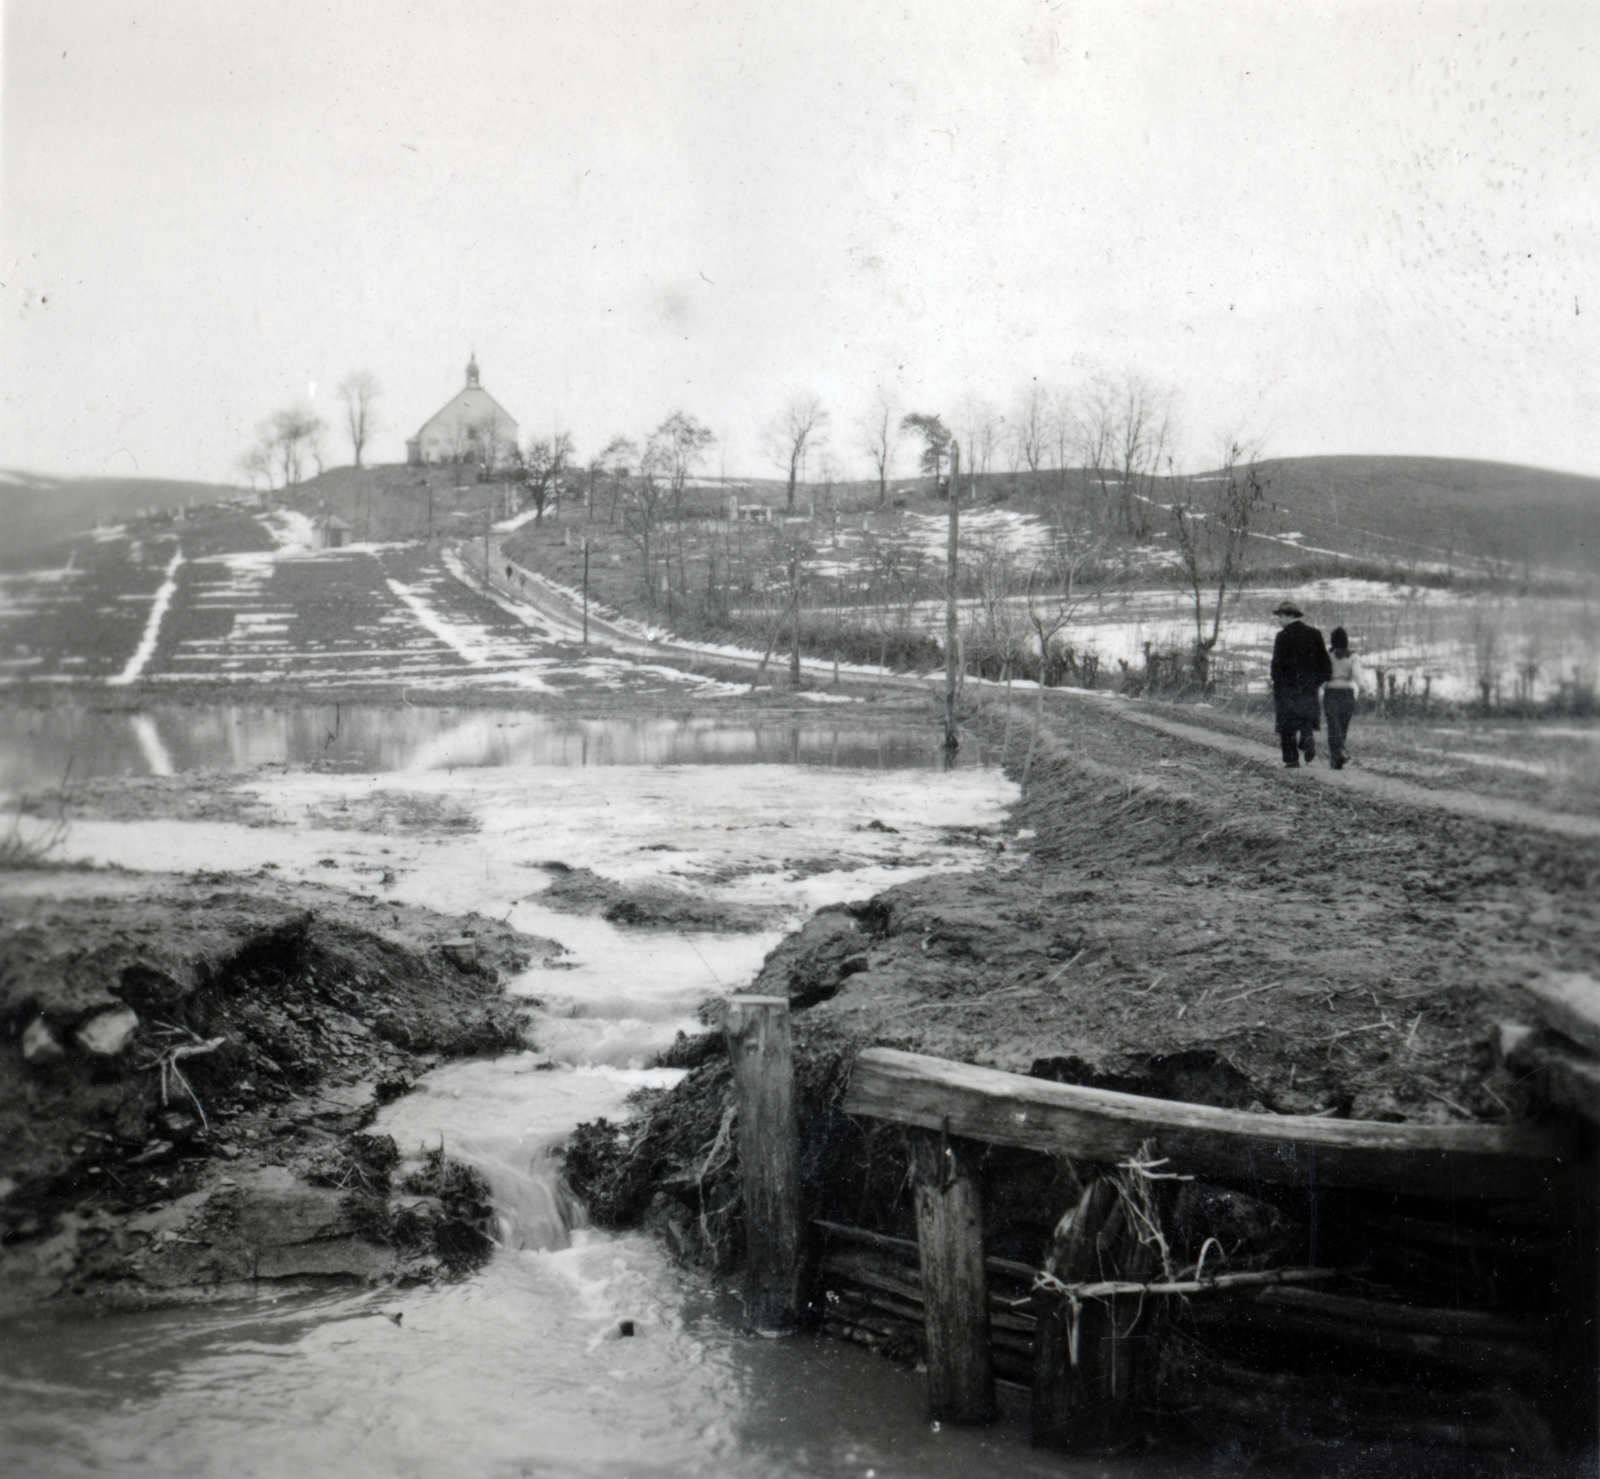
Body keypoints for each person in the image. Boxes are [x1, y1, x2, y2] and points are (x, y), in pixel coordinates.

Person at [1269, 601, 1331, 767]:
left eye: (1280, 616)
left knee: (1287, 725)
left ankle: (1291, 759)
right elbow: (1325, 664)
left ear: (1289, 616)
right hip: (1308, 688)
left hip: (1287, 688)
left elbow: (1276, 666)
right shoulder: (1315, 634)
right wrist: (1315, 682)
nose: (1279, 620)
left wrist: (1277, 683)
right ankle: (1307, 738)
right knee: (1305, 718)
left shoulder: (1282, 637)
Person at [1322, 626, 1363, 769]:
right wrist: (1363, 689)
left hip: (1331, 693)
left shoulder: (1327, 655)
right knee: (1343, 726)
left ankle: (1335, 756)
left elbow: (1321, 674)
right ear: (1347, 641)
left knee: (1333, 726)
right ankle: (1339, 753)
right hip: (1347, 694)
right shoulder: (1353, 656)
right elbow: (1358, 675)